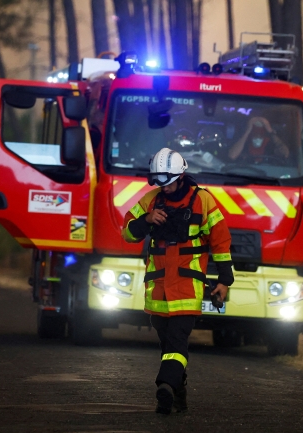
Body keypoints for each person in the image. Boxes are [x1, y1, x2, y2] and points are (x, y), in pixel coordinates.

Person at [121, 148, 233, 415]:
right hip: (158, 291)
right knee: (169, 344)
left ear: (181, 176)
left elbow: (220, 240)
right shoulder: (150, 200)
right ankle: (179, 391)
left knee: (176, 340)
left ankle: (165, 387)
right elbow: (126, 232)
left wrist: (225, 279)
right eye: (158, 182)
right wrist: (146, 221)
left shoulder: (203, 201)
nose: (164, 188)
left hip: (186, 288)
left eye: (167, 182)